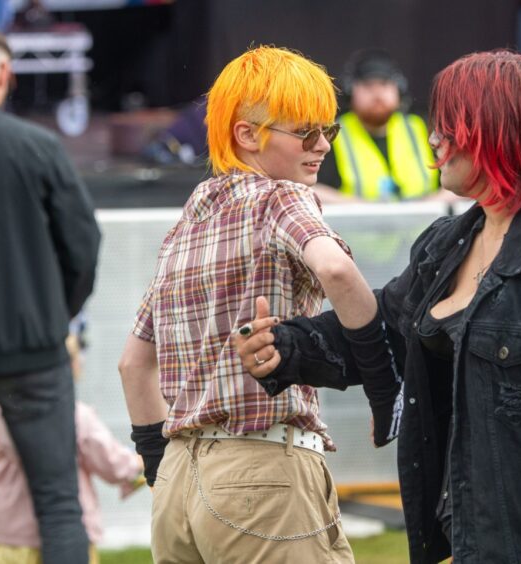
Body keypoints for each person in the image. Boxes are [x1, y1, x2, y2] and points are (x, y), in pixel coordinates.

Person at [237, 50, 521, 564]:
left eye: (449, 128)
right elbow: (387, 329)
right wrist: (286, 346)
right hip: (469, 540)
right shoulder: (448, 242)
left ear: (498, 134)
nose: (434, 140)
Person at [117, 45, 384, 563]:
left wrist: (160, 467)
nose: (322, 145)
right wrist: (383, 382)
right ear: (246, 135)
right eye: (306, 132)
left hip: (177, 485)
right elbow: (335, 270)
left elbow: (133, 364)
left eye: (329, 130)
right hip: (264, 473)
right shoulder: (281, 197)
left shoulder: (187, 221)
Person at [0, 29, 100, 564]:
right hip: (33, 353)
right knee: (59, 506)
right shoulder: (36, 147)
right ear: (4, 74)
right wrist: (56, 315)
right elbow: (83, 244)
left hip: (34, 346)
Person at [0, 335, 145, 564]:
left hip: (4, 539)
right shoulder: (76, 415)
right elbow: (113, 465)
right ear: (70, 365)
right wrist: (141, 462)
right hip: (65, 539)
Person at [314, 49, 439, 202]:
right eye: (368, 85)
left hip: (428, 224)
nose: (377, 94)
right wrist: (363, 209)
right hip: (357, 225)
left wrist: (428, 206)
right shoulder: (332, 134)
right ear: (350, 91)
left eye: (384, 84)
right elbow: (312, 188)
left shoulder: (422, 128)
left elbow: (460, 181)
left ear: (398, 89)